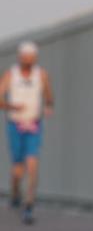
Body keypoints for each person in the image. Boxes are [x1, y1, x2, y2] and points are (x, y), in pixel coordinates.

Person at [0, 40, 54, 225]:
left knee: (32, 164)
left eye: (32, 58)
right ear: (20, 58)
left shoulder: (41, 75)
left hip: (34, 125)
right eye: (26, 58)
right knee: (18, 169)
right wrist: (11, 106)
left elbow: (48, 95)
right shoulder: (11, 75)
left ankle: (29, 205)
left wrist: (48, 106)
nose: (29, 61)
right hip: (15, 125)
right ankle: (15, 192)